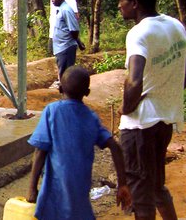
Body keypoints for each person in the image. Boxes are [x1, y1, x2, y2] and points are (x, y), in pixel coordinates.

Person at [117, 0, 186, 220]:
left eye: (122, 1)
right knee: (157, 185)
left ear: (135, 3)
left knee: (140, 192)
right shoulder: (175, 25)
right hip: (165, 120)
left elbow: (135, 79)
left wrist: (126, 107)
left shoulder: (138, 34)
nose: (119, 5)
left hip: (140, 125)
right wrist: (167, 90)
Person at [27, 66, 132, 220]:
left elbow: (40, 151)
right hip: (80, 189)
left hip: (55, 189)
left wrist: (32, 187)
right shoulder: (91, 117)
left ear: (60, 88)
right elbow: (115, 147)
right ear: (87, 93)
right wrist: (122, 183)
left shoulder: (52, 111)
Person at [51, 0, 84, 87]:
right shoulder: (60, 9)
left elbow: (74, 30)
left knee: (66, 74)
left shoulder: (66, 10)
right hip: (61, 47)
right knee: (62, 72)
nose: (52, 0)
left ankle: (67, 93)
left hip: (66, 47)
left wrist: (78, 42)